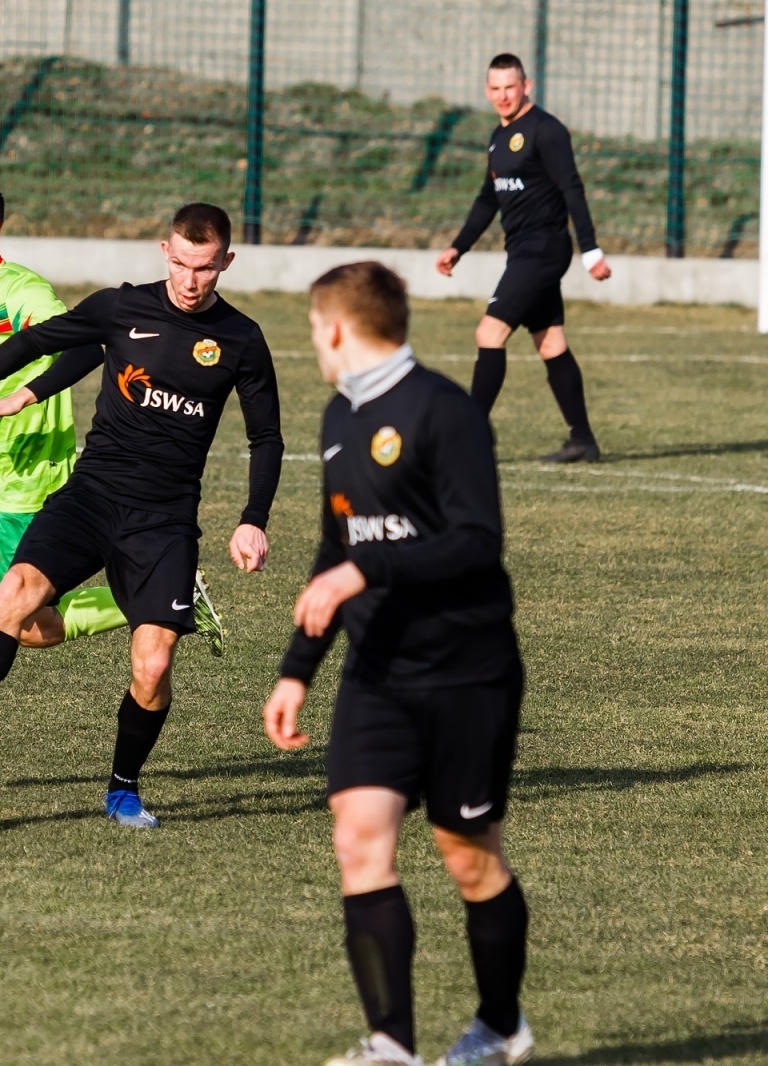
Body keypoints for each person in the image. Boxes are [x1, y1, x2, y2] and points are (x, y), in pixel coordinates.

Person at [0, 202, 284, 829]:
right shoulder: (122, 306)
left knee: (152, 666)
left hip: (163, 521)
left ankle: (123, 789)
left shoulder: (241, 339)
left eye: (204, 268)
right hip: (90, 496)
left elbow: (267, 438)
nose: (189, 280)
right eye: (180, 263)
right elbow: (33, 343)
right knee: (14, 591)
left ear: (226, 262)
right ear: (165, 252)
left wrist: (253, 517)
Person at [262, 262, 531, 1066]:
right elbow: (336, 547)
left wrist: (366, 571)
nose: (314, 344)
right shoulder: (338, 417)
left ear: (336, 328)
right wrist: (297, 669)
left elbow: (476, 540)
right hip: (376, 673)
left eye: (314, 330)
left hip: (466, 672)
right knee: (359, 843)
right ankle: (391, 1046)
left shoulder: (444, 410)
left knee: (469, 858)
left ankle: (500, 1026)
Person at [435, 52, 611, 464]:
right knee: (550, 342)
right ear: (486, 91)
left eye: (510, 87)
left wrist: (591, 250)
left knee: (489, 334)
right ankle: (583, 440)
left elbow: (572, 188)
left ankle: (471, 439)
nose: (503, 96)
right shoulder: (498, 137)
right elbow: (487, 198)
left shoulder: (546, 131)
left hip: (543, 250)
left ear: (526, 86)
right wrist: (459, 246)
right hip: (524, 251)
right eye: (495, 89)